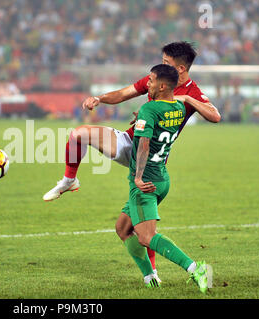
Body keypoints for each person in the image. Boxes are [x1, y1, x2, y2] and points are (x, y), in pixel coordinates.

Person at [43, 41, 220, 283]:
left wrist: (186, 101)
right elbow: (126, 92)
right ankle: (68, 180)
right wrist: (100, 99)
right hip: (132, 144)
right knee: (78, 135)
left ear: (179, 69)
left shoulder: (188, 92)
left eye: (166, 63)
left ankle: (179, 271)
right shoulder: (156, 80)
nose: (158, 68)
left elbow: (214, 115)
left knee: (144, 232)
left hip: (147, 163)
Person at [123, 63, 208, 292]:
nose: (146, 84)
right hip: (162, 178)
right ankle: (149, 277)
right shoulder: (178, 108)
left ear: (161, 85)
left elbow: (143, 144)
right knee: (123, 227)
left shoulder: (149, 110)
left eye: (150, 81)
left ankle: (194, 268)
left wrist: (138, 178)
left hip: (146, 182)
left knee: (146, 237)